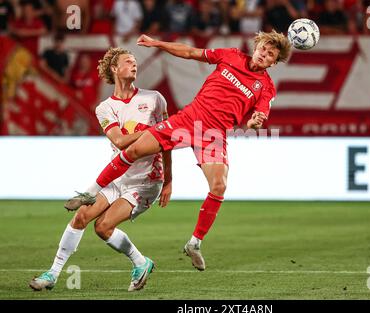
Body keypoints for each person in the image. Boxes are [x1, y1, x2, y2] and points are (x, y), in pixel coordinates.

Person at [65, 30, 291, 271]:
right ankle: (90, 193)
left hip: (212, 135)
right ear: (256, 47)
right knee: (132, 150)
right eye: (263, 50)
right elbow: (191, 52)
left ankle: (194, 244)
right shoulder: (231, 56)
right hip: (188, 120)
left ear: (274, 63)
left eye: (270, 56)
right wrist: (157, 43)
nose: (263, 56)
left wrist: (256, 121)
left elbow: (260, 115)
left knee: (219, 186)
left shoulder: (266, 87)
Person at [29, 47, 172, 292]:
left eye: (135, 61)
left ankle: (139, 261)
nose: (134, 65)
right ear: (115, 69)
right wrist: (154, 132)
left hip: (147, 182)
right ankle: (53, 273)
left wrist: (169, 180)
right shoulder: (105, 108)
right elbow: (119, 140)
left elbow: (167, 141)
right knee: (82, 216)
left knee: (102, 227)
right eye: (128, 62)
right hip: (118, 178)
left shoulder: (155, 98)